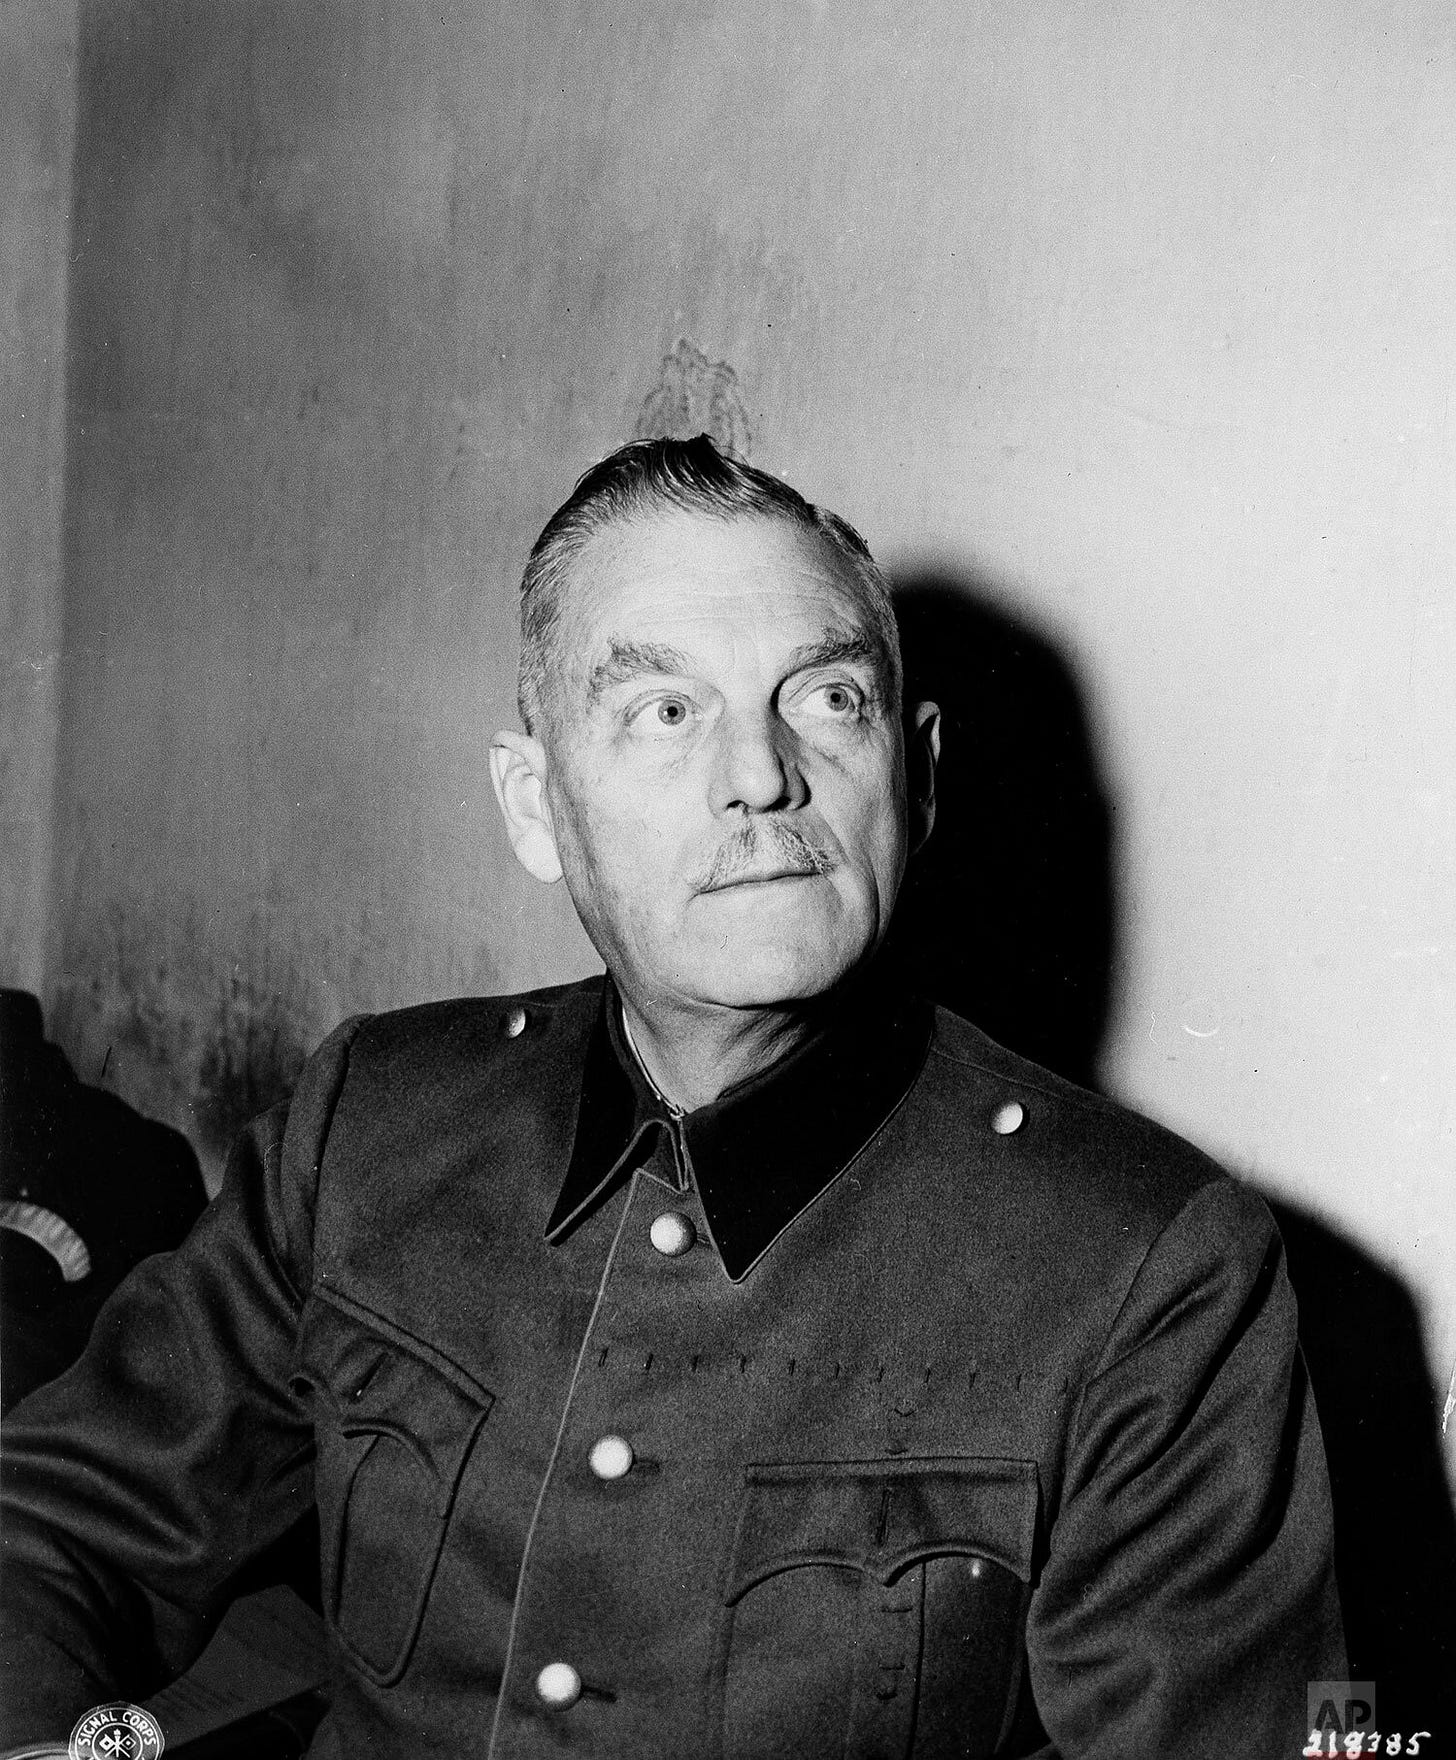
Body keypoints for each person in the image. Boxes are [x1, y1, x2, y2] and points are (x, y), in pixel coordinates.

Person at [1, 436, 1343, 1758]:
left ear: (917, 775)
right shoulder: (374, 1122)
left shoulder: (1147, 1270)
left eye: (828, 697)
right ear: (538, 807)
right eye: (665, 710)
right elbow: (56, 1527)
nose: (761, 774)